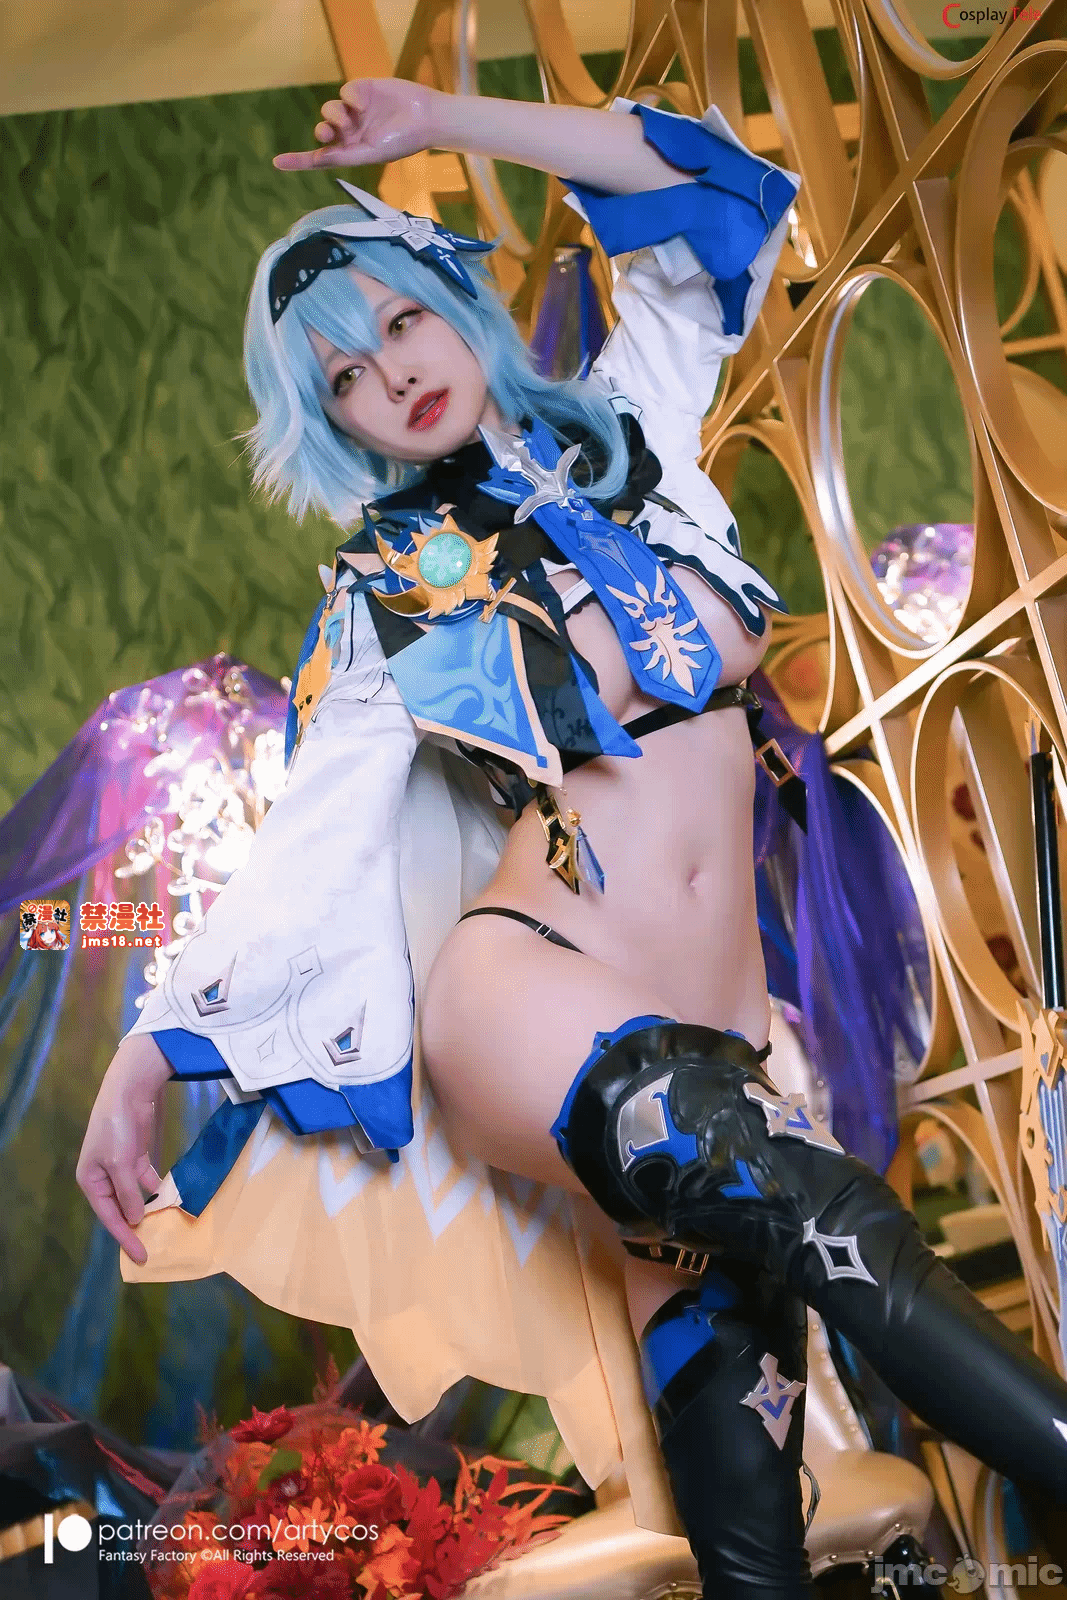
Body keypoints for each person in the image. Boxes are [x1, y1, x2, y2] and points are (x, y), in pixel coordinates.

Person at [77, 79, 1067, 1597]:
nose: (392, 373)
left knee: (744, 1475)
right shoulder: (383, 597)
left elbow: (709, 187)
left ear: (452, 301)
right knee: (839, 1228)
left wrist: (440, 115)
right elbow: (309, 852)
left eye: (400, 319)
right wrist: (146, 1053)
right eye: (344, 375)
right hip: (533, 998)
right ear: (331, 424)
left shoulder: (636, 426)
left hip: (717, 1025)